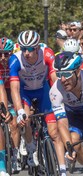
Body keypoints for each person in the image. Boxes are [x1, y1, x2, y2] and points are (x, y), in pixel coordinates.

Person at [9, 30, 66, 175]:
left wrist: (60, 99)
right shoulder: (15, 59)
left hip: (44, 90)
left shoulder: (46, 53)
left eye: (29, 49)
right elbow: (15, 88)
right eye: (23, 48)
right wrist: (20, 110)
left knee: (54, 133)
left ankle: (62, 168)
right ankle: (31, 148)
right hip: (25, 93)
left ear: (37, 48)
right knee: (25, 119)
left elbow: (54, 78)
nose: (26, 53)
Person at [0, 37, 22, 173]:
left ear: (11, 53)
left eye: (6, 54)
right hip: (2, 89)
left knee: (14, 123)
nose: (3, 57)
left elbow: (20, 87)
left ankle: (15, 154)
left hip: (13, 90)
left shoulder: (15, 62)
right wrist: (3, 108)